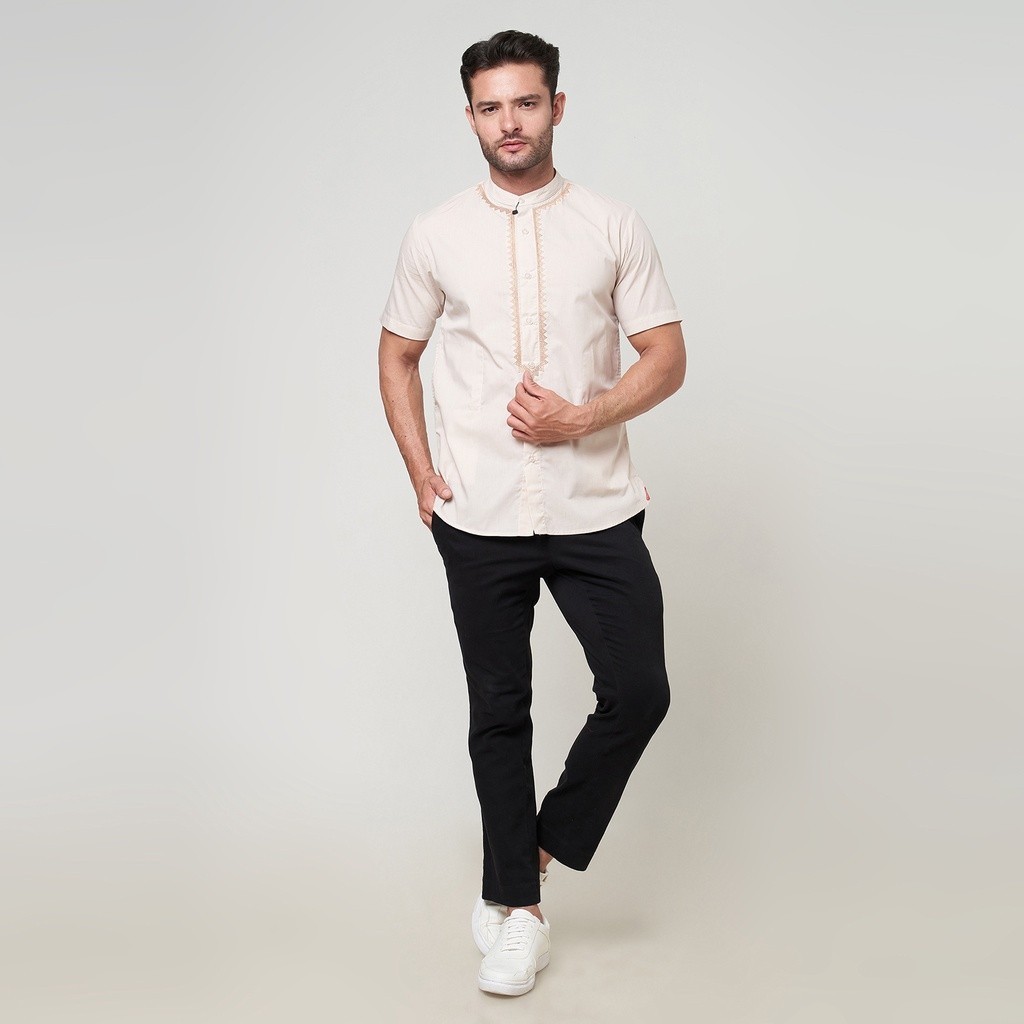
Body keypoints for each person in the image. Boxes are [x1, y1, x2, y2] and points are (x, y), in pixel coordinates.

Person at [377, 29, 686, 997]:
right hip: (479, 514)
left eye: (524, 102)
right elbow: (397, 354)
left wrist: (581, 417)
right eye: (489, 106)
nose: (508, 122)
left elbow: (667, 357)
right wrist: (421, 470)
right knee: (498, 712)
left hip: (596, 506)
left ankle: (530, 857)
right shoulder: (435, 232)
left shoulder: (613, 224)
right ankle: (519, 911)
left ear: (557, 106)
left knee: (638, 691)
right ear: (470, 117)